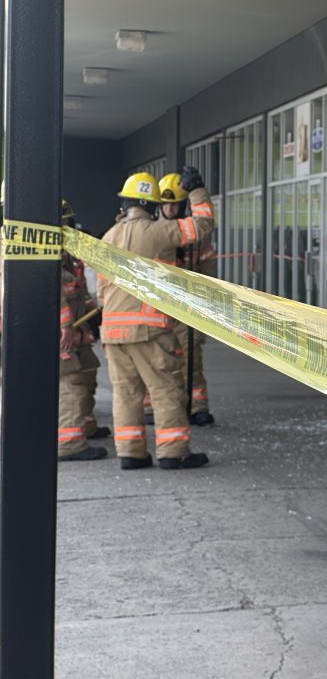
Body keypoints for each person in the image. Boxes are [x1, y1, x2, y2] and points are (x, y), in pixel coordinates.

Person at [99, 169, 215, 470]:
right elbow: (202, 225)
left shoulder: (108, 237)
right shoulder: (158, 233)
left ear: (125, 203)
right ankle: (173, 452)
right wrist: (197, 191)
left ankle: (131, 453)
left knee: (126, 394)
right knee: (165, 390)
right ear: (150, 205)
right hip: (148, 330)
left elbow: (101, 288)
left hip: (113, 332)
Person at [157, 171, 218, 426]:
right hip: (158, 307)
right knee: (158, 361)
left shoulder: (195, 236)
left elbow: (208, 272)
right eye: (165, 204)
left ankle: (197, 406)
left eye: (175, 204)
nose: (170, 210)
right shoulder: (154, 231)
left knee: (191, 360)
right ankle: (153, 408)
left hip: (186, 307)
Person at [58, 201, 107, 461]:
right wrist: (65, 326)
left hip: (77, 329)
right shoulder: (47, 254)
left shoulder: (69, 256)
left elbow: (79, 292)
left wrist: (91, 319)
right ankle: (69, 444)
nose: (69, 228)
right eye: (64, 223)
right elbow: (53, 294)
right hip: (62, 332)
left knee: (88, 371)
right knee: (70, 384)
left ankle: (86, 426)